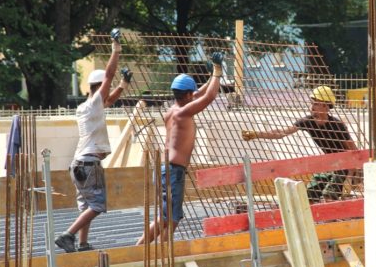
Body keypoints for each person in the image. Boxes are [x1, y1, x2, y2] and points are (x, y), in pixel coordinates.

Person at [55, 29, 132, 253]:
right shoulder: (93, 104)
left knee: (87, 207)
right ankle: (68, 235)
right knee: (97, 205)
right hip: (89, 165)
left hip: (78, 164)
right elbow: (107, 77)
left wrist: (123, 86)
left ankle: (82, 243)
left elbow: (109, 98)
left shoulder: (87, 107)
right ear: (98, 88)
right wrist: (115, 50)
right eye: (104, 89)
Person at [136, 52, 223, 245]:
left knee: (172, 217)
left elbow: (200, 94)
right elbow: (209, 97)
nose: (194, 95)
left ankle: (161, 249)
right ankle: (141, 248)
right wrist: (217, 71)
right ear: (187, 95)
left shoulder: (173, 109)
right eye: (192, 94)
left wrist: (211, 77)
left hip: (169, 169)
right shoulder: (184, 112)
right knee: (168, 218)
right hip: (173, 171)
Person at [242, 85, 358, 203]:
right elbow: (281, 133)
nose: (312, 107)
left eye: (316, 103)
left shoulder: (337, 126)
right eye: (312, 103)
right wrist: (256, 134)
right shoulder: (308, 122)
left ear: (326, 106)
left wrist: (350, 176)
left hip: (344, 165)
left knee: (329, 195)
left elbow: (354, 151)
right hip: (327, 165)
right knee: (308, 196)